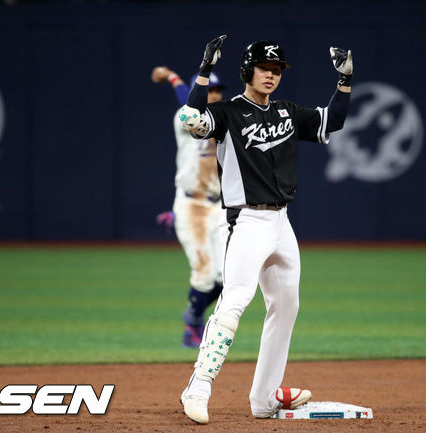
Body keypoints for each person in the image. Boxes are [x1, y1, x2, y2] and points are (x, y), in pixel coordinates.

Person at [178, 35, 353, 424]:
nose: (271, 76)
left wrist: (345, 81)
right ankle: (198, 387)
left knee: (286, 304)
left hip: (281, 222)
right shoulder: (227, 113)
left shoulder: (287, 112)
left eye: (277, 71)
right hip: (246, 221)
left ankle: (263, 399)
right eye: (264, 69)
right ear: (247, 71)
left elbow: (332, 120)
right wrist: (204, 72)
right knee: (235, 301)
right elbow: (191, 120)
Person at [151, 65, 226, 348]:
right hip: (191, 205)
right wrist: (174, 79)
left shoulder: (225, 120)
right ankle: (192, 325)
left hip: (219, 207)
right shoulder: (184, 119)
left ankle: (194, 315)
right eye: (210, 90)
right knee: (205, 274)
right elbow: (189, 106)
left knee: (226, 277)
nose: (215, 95)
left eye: (218, 90)